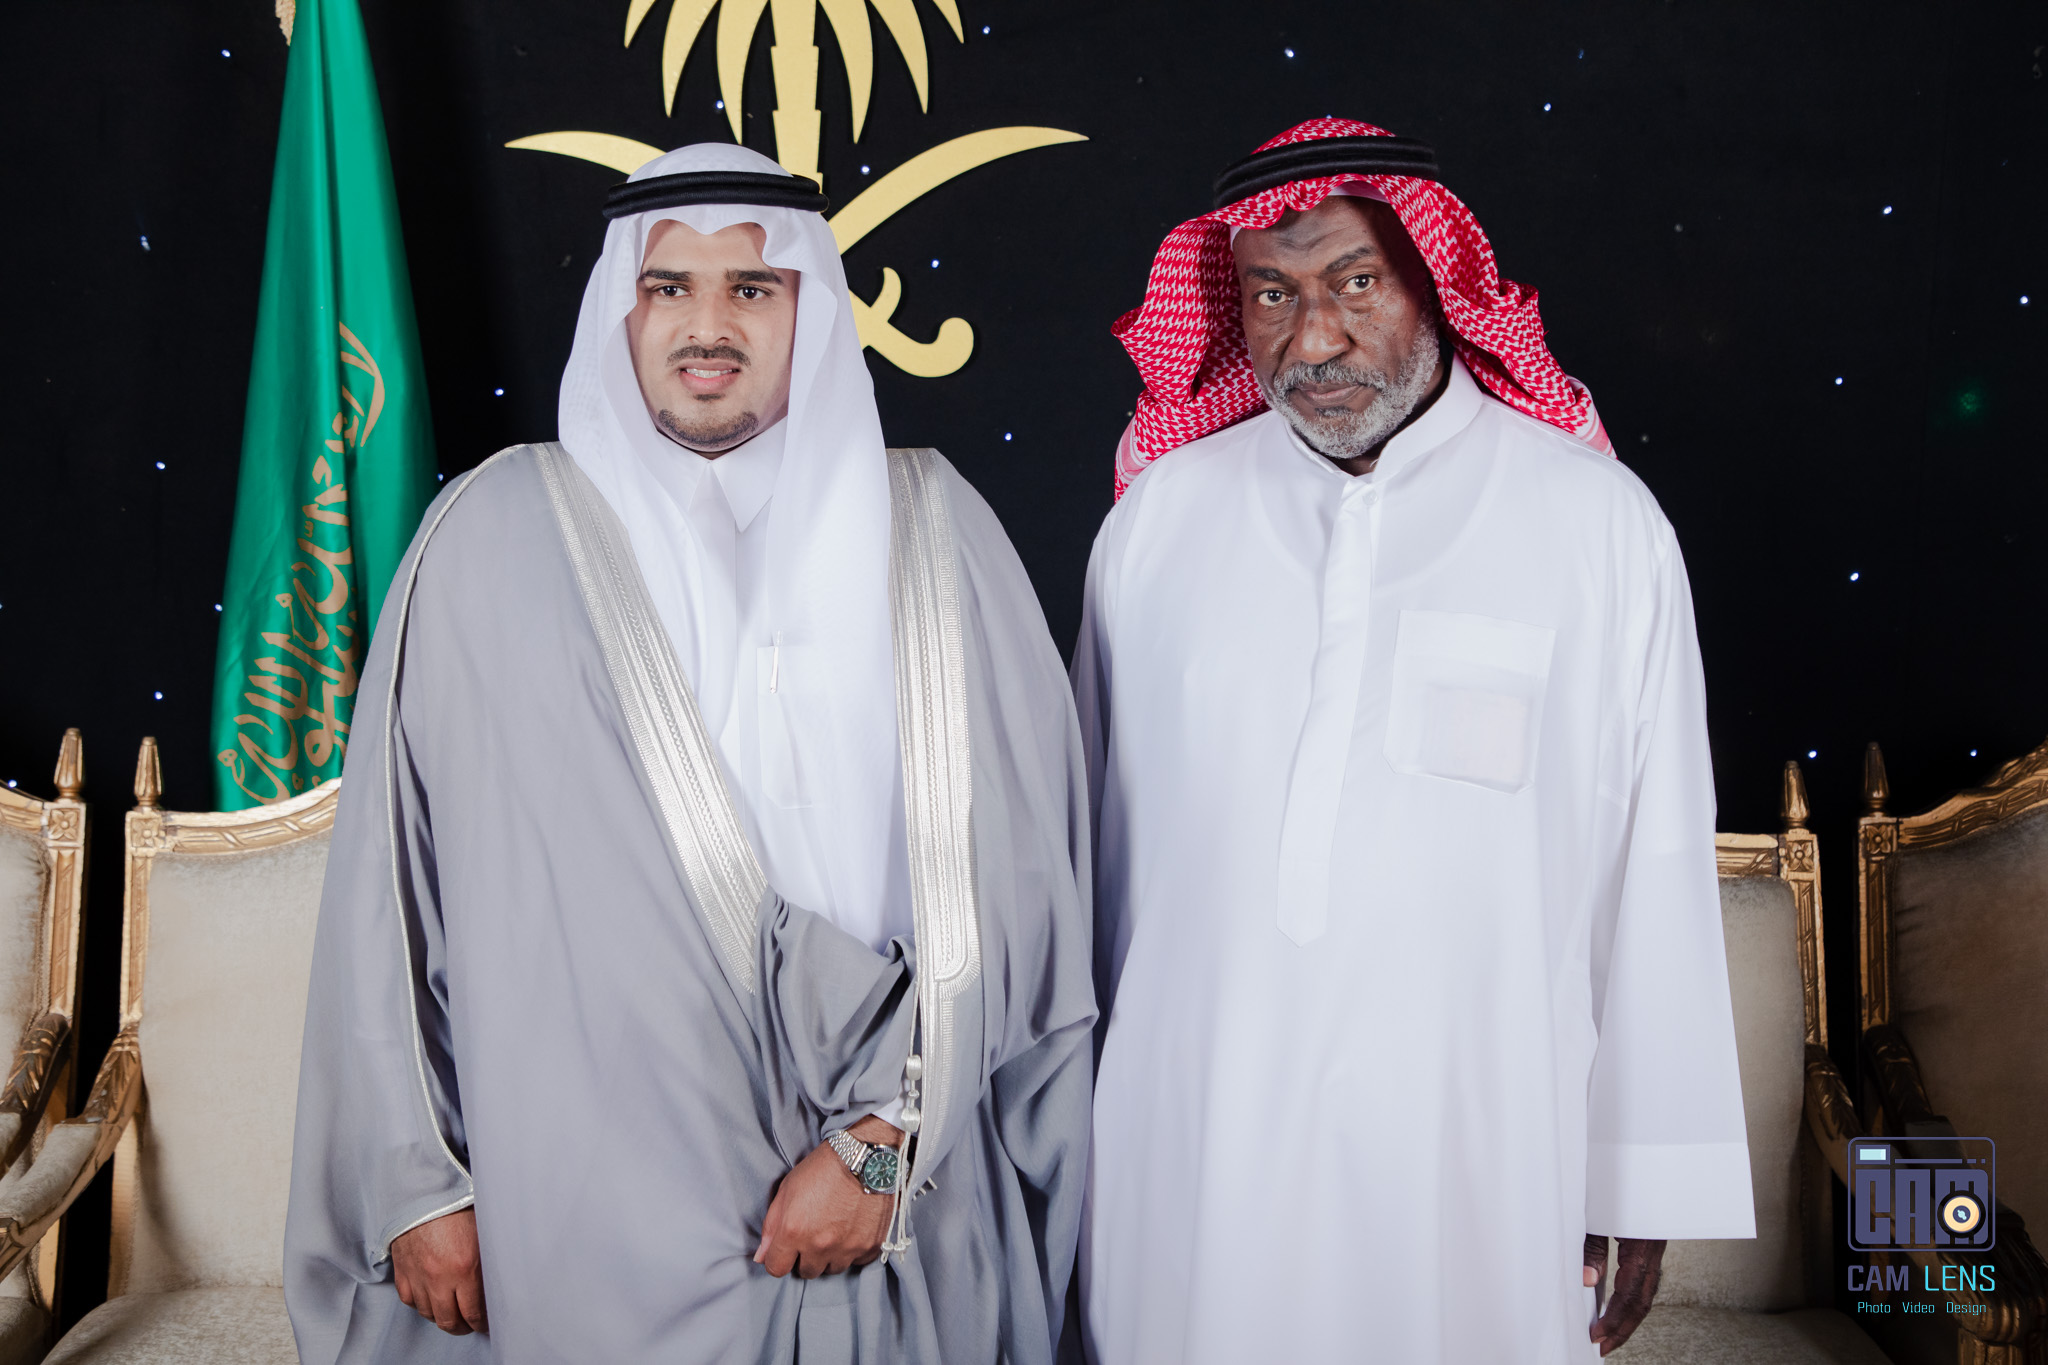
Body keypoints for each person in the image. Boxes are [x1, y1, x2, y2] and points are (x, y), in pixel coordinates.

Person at [284, 142, 1094, 1365]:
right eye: (668, 287)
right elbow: (389, 897)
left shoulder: (936, 532)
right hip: (578, 1214)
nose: (706, 325)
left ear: (810, 312)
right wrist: (419, 1183)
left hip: (883, 1201)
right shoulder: (485, 536)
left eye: (750, 288)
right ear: (620, 306)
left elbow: (1022, 887)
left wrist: (883, 1149)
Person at [1073, 119, 1753, 1363]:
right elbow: (1088, 873)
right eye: (1270, 294)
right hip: (1189, 1151)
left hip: (1476, 1151)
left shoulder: (1595, 529)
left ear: (1435, 281)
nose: (1311, 340)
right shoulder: (1156, 527)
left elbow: (1652, 867)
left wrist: (1639, 1176)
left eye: (1355, 283)